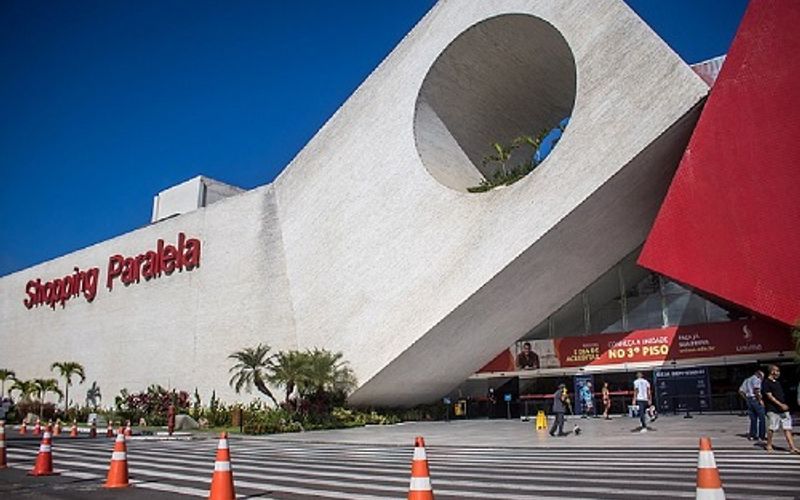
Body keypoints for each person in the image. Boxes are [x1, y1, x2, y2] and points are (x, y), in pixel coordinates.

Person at [761, 364, 799, 454]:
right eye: (777, 371)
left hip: (784, 410)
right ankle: (769, 444)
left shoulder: (778, 382)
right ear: (772, 371)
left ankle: (792, 447)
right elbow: (770, 396)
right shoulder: (766, 383)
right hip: (773, 409)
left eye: (778, 371)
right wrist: (780, 404)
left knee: (787, 428)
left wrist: (785, 405)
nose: (778, 373)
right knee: (772, 428)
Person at [738, 369, 765, 441]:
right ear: (759, 374)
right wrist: (760, 400)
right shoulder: (756, 379)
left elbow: (740, 391)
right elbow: (756, 390)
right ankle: (761, 435)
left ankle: (753, 434)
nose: (762, 379)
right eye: (762, 377)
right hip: (755, 399)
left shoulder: (747, 380)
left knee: (753, 419)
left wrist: (746, 398)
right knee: (762, 418)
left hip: (749, 400)